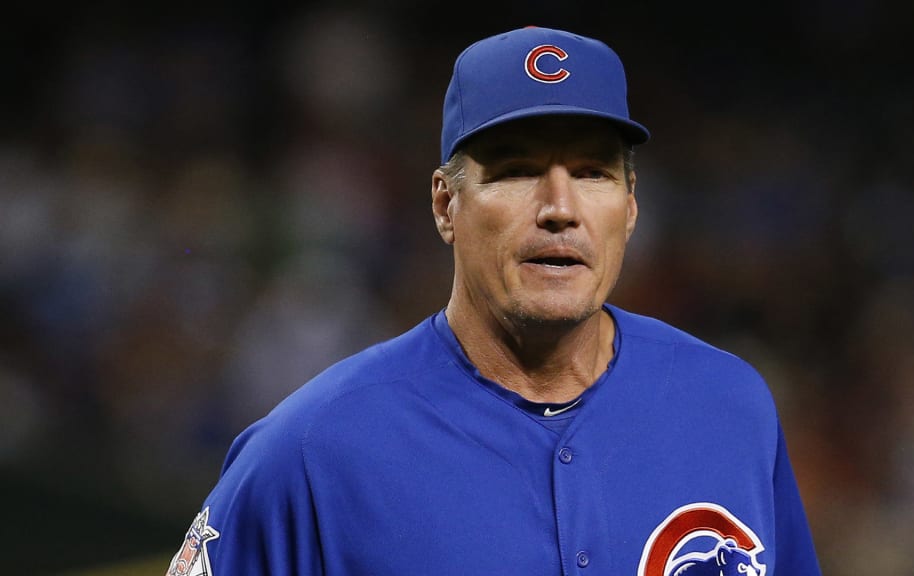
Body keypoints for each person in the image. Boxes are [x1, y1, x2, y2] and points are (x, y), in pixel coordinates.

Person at [166, 25, 822, 576]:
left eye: (591, 173)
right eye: (516, 171)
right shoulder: (312, 451)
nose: (560, 209)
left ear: (630, 206)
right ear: (446, 205)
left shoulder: (729, 407)